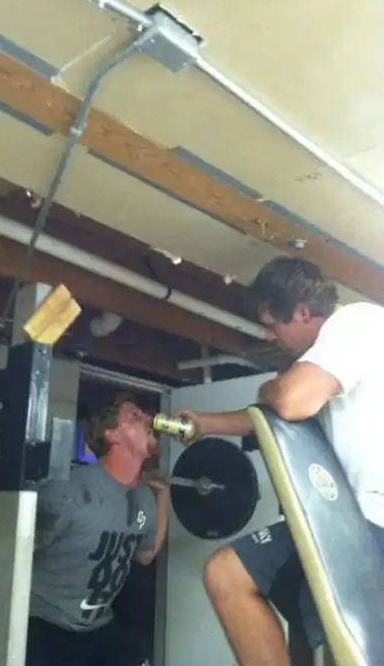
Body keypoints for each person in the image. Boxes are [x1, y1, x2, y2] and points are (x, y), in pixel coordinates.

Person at [176, 256, 384, 666]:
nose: (270, 337)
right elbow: (278, 421)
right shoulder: (337, 368)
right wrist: (206, 423)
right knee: (315, 631)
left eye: (273, 324)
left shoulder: (354, 324)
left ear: (303, 311)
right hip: (359, 523)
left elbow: (288, 401)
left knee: (227, 575)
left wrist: (272, 387)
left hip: (370, 523)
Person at [26, 392, 169, 666]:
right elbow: (18, 552)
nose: (148, 419)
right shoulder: (70, 491)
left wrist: (164, 497)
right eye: (135, 416)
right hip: (48, 624)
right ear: (112, 435)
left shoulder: (143, 498)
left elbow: (146, 554)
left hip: (100, 625)